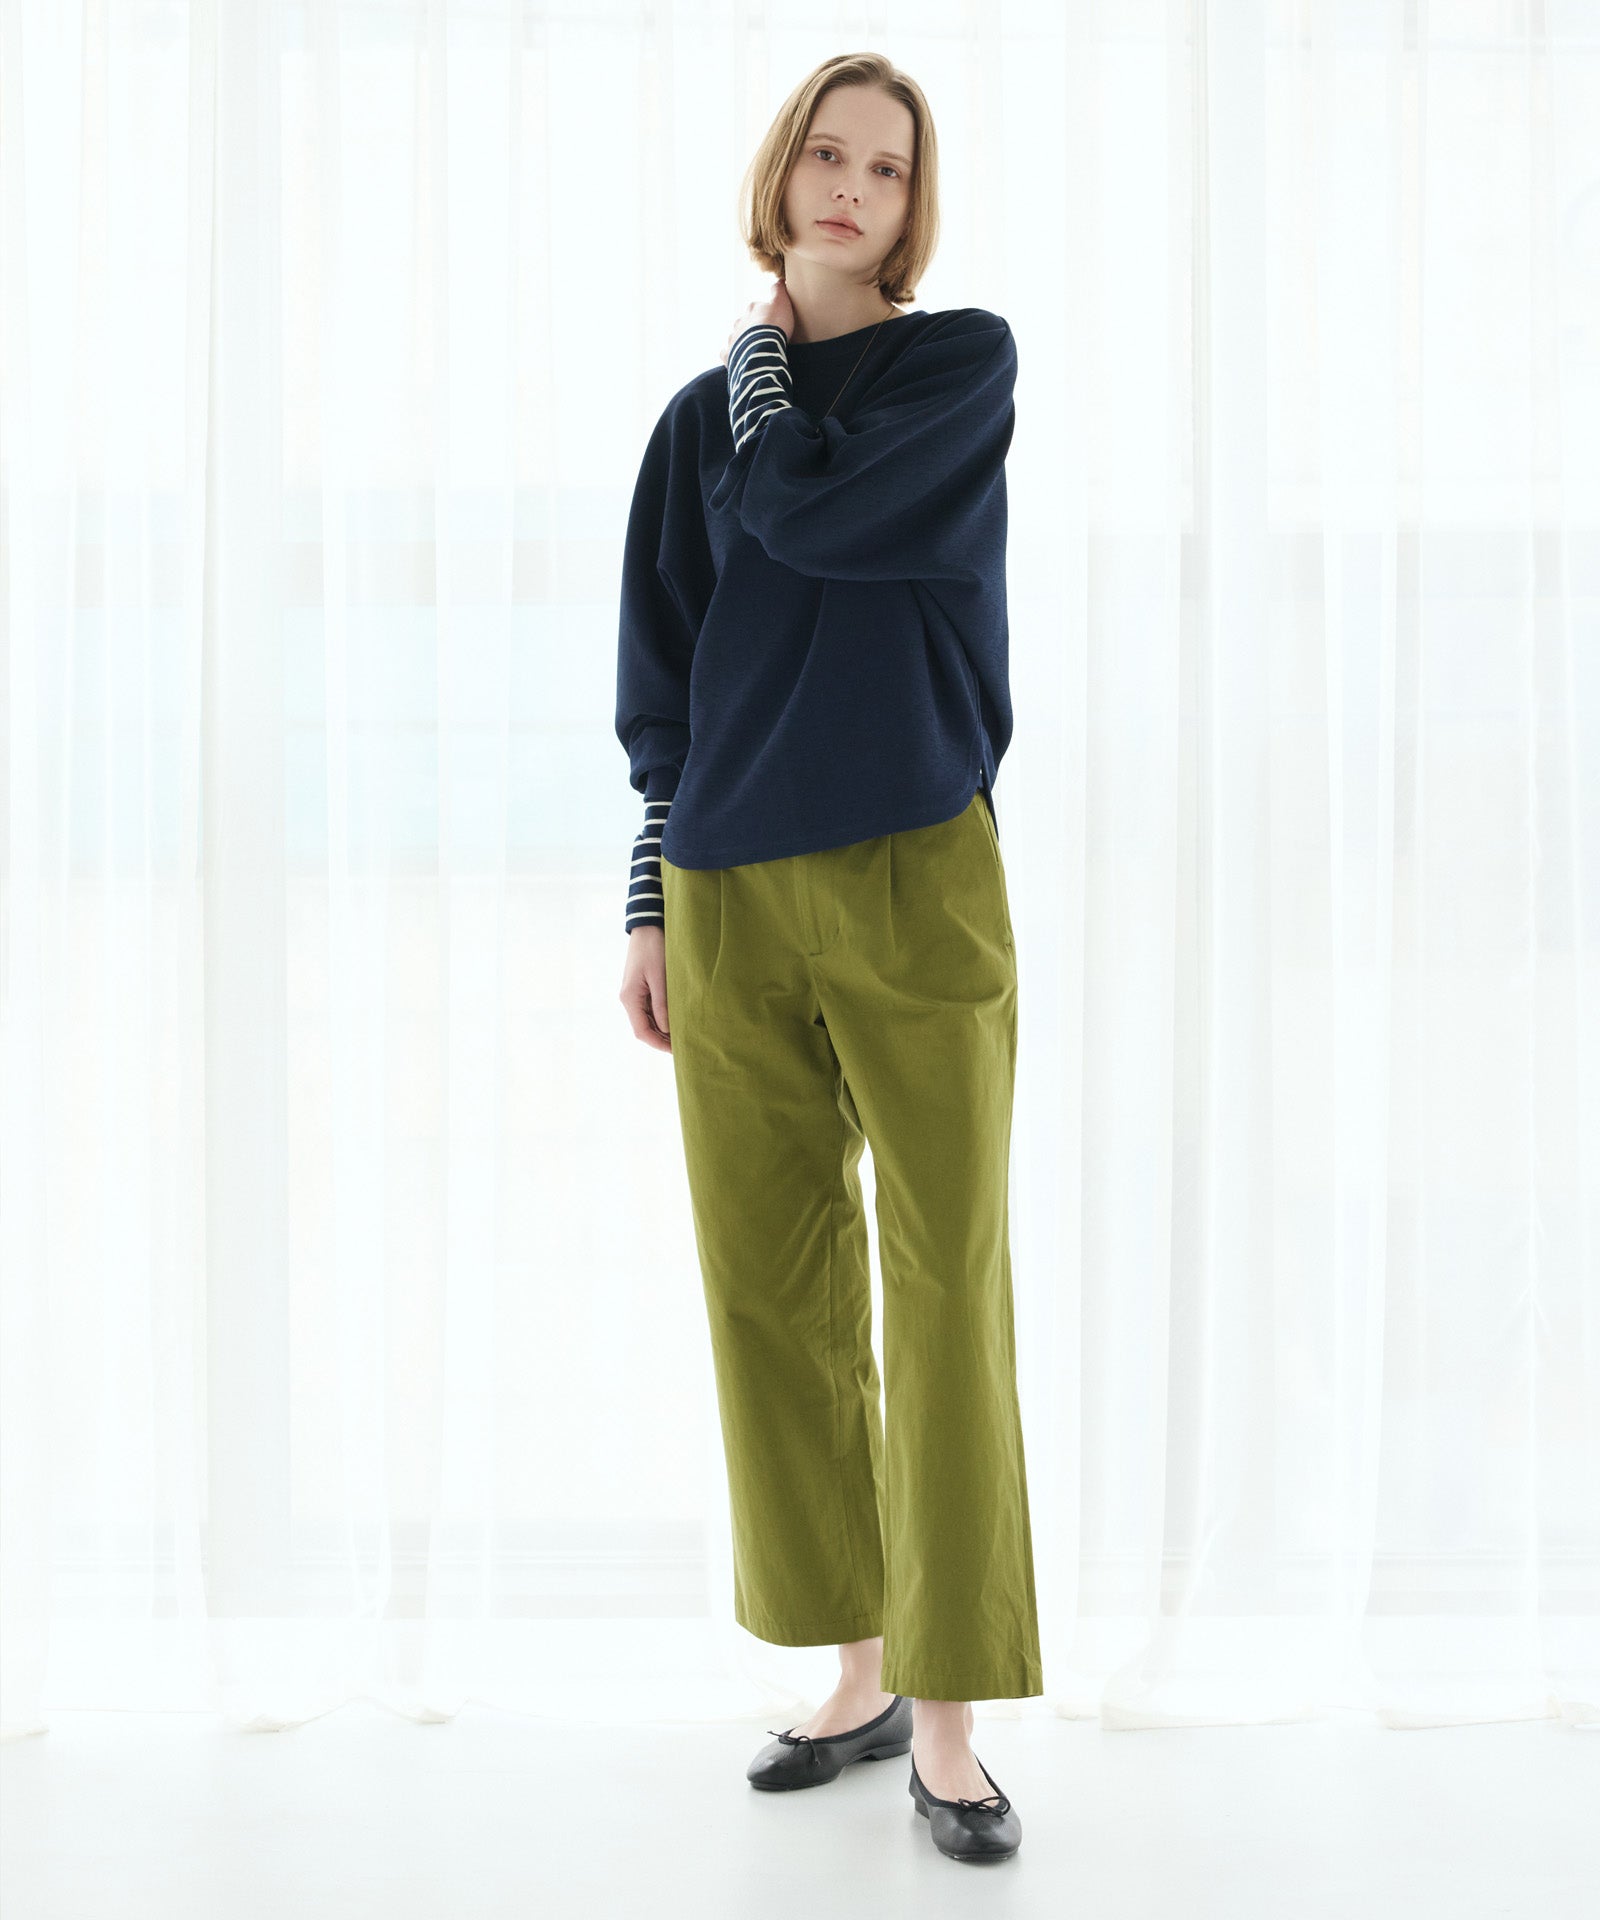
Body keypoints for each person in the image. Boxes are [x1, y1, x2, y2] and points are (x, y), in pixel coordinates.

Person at [614, 53, 1041, 1865]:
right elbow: (663, 677)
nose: (852, 185)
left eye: (887, 166)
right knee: (771, 1294)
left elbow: (807, 507)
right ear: (780, 172)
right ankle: (856, 1673)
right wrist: (649, 899)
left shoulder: (954, 372)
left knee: (945, 1283)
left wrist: (763, 364)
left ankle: (950, 1727)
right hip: (729, 888)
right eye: (826, 153)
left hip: (913, 867)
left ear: (912, 204)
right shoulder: (689, 424)